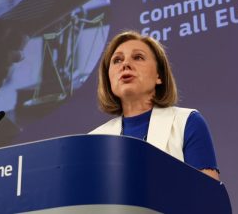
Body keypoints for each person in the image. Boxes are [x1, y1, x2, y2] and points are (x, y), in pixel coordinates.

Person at [89, 30, 220, 180]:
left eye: (138, 57)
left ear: (159, 76)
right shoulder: (92, 141)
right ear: (108, 78)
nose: (125, 64)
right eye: (117, 60)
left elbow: (209, 198)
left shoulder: (187, 122)